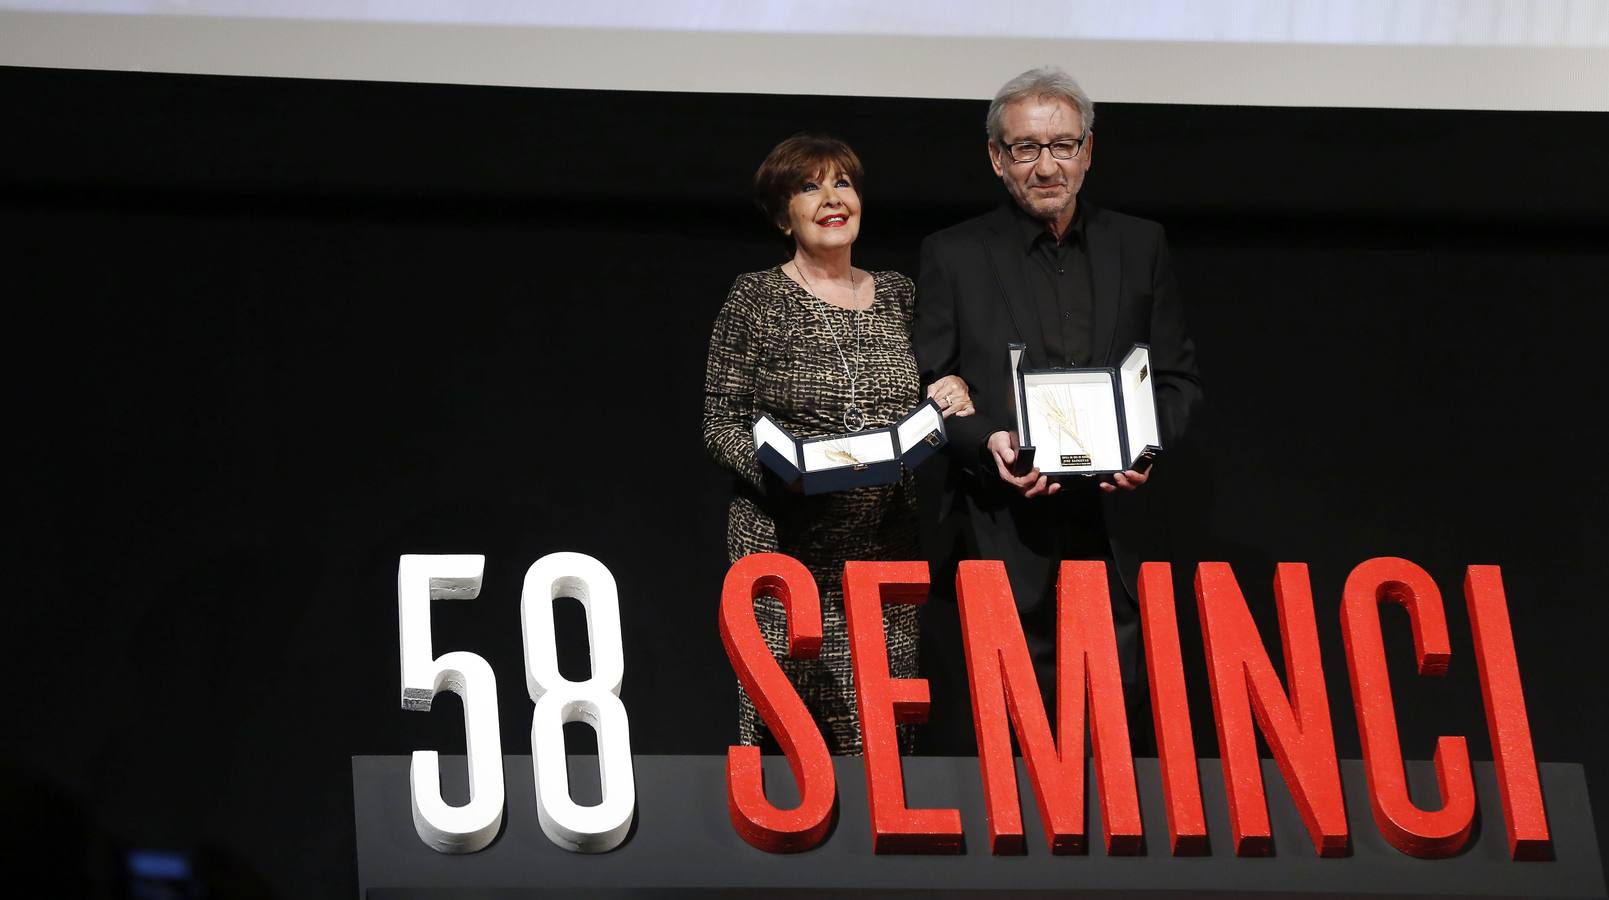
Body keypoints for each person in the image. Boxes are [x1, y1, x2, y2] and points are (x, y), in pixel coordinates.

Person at [913, 67, 1204, 752]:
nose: (1047, 167)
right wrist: (984, 440)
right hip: (1003, 526)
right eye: (1025, 148)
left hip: (1118, 528)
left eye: (1062, 145)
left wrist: (1144, 443)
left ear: (1088, 150)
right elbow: (930, 383)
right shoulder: (953, 254)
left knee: (1121, 739)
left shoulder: (1141, 244)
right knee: (1013, 740)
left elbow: (1176, 380)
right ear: (996, 157)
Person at [703, 134, 974, 754]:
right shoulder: (756, 298)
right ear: (784, 217)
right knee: (786, 750)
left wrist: (953, 389)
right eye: (809, 187)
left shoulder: (902, 294)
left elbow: (933, 385)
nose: (831, 199)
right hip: (785, 557)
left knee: (884, 746)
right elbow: (720, 422)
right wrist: (783, 474)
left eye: (842, 184)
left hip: (883, 557)